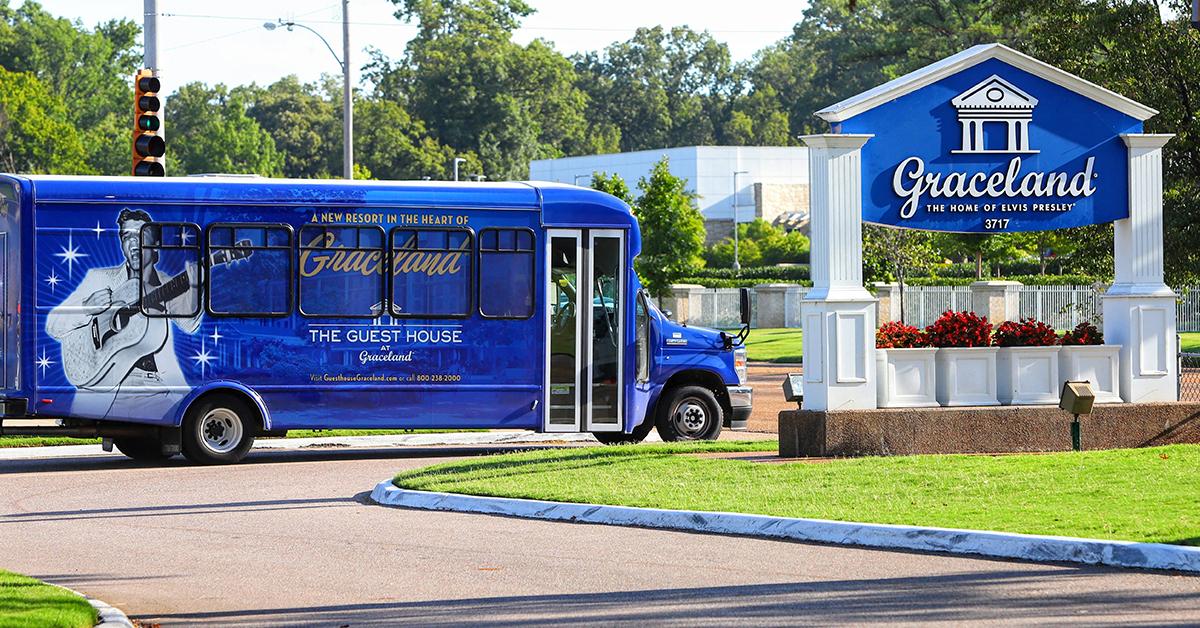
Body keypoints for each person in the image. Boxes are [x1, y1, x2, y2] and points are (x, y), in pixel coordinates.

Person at [46, 208, 201, 420]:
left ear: (154, 244)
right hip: (103, 383)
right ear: (121, 244)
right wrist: (85, 308)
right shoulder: (100, 279)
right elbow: (54, 325)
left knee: (181, 424)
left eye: (141, 235)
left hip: (154, 385)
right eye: (127, 237)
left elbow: (189, 324)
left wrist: (193, 287)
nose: (133, 243)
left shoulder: (166, 284)